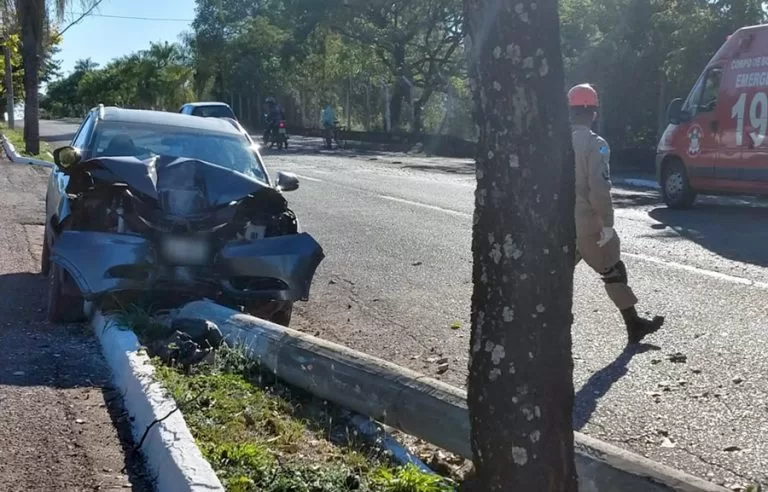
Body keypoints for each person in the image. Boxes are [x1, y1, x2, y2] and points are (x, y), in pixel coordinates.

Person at [568, 83, 665, 345]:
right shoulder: (594, 144)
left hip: (555, 222)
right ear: (594, 113)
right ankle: (633, 324)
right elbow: (599, 189)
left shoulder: (552, 143)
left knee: (556, 274)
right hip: (586, 222)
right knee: (613, 267)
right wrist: (607, 223)